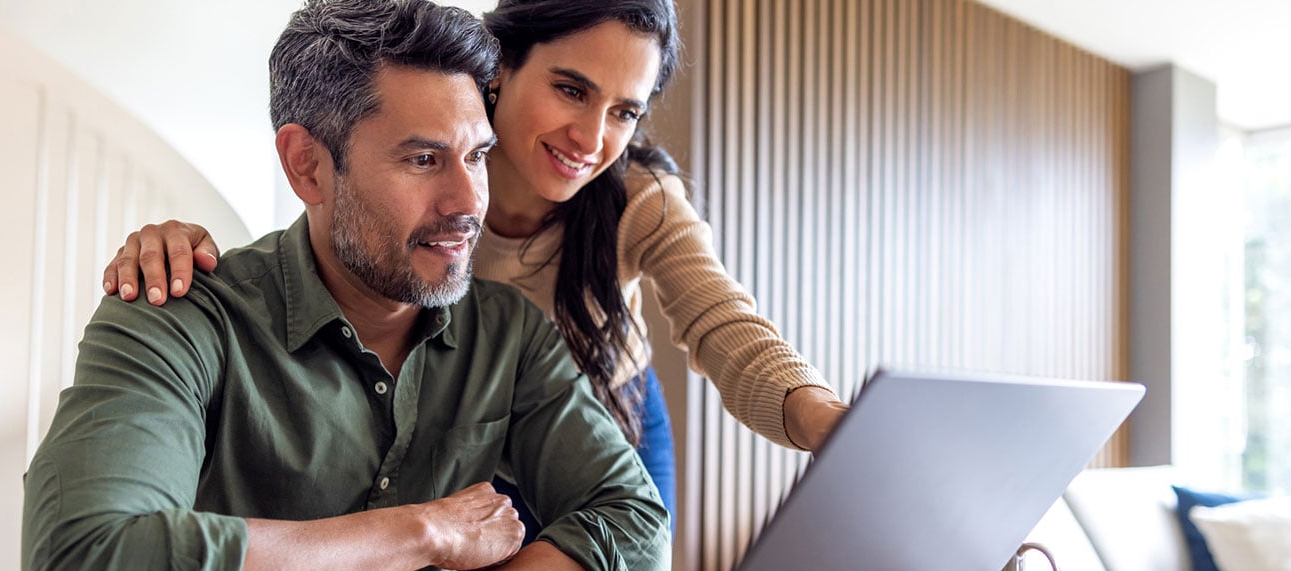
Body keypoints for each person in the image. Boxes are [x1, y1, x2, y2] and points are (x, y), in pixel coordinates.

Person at [103, 0, 849, 537]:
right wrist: (178, 243)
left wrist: (830, 423)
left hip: (607, 407)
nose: (592, 138)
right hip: (468, 422)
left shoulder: (636, 199)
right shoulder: (422, 189)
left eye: (625, 111)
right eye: (571, 89)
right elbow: (334, 234)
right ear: (499, 72)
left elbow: (722, 321)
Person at [21, 1, 669, 571]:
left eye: (477, 156)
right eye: (423, 159)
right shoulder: (178, 315)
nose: (469, 202)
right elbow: (85, 566)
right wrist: (422, 531)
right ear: (307, 165)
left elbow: (638, 535)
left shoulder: (509, 338)